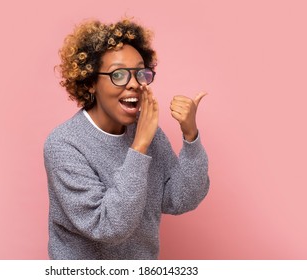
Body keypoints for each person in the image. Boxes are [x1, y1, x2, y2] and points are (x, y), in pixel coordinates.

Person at [44, 18, 210, 260]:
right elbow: (107, 226)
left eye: (140, 74)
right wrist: (139, 147)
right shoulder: (64, 144)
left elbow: (180, 199)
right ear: (90, 82)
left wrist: (190, 135)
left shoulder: (145, 131)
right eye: (119, 75)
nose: (134, 84)